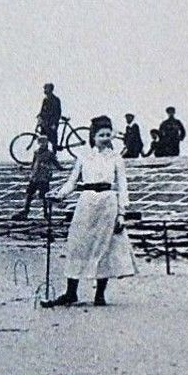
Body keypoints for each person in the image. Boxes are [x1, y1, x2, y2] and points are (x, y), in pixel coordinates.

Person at [51, 115, 137, 306]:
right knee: (78, 245)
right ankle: (71, 292)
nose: (105, 138)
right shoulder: (83, 155)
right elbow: (73, 181)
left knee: (104, 248)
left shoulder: (116, 157)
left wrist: (122, 212)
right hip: (87, 202)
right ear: (93, 136)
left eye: (108, 134)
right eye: (101, 135)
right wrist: (60, 195)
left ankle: (100, 294)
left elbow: (122, 185)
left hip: (108, 203)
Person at [12, 134, 55, 219]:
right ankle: (26, 212)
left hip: (44, 178)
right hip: (35, 177)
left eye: (44, 142)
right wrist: (25, 168)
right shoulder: (36, 152)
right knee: (29, 194)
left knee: (45, 197)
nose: (42, 144)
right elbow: (33, 164)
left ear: (47, 143)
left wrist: (59, 169)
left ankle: (46, 214)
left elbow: (55, 163)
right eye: (40, 142)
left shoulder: (50, 153)